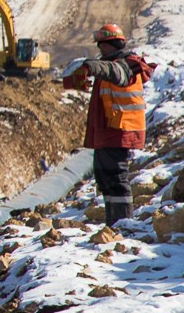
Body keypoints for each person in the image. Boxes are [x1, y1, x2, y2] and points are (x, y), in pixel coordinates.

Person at [61, 23, 152, 225]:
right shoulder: (110, 65)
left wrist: (90, 66)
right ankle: (114, 222)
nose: (99, 50)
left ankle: (123, 224)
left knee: (116, 177)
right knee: (105, 178)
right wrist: (71, 81)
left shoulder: (127, 64)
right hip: (108, 131)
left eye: (101, 46)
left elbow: (115, 73)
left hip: (120, 130)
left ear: (111, 44)